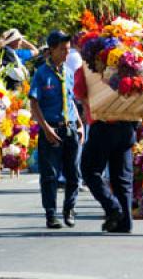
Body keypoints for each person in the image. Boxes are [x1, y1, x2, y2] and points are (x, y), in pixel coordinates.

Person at [30, 30, 84, 229]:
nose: (65, 54)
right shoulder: (42, 74)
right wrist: (45, 129)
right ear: (51, 50)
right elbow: (34, 103)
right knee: (50, 175)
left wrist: (80, 125)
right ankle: (51, 214)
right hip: (51, 129)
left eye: (68, 50)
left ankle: (69, 209)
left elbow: (70, 100)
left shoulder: (68, 73)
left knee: (73, 174)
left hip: (69, 128)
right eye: (62, 49)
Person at [75, 65, 137, 234]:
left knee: (89, 170)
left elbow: (80, 94)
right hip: (126, 127)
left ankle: (113, 208)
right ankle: (125, 222)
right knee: (122, 178)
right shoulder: (129, 70)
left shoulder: (86, 70)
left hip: (103, 127)